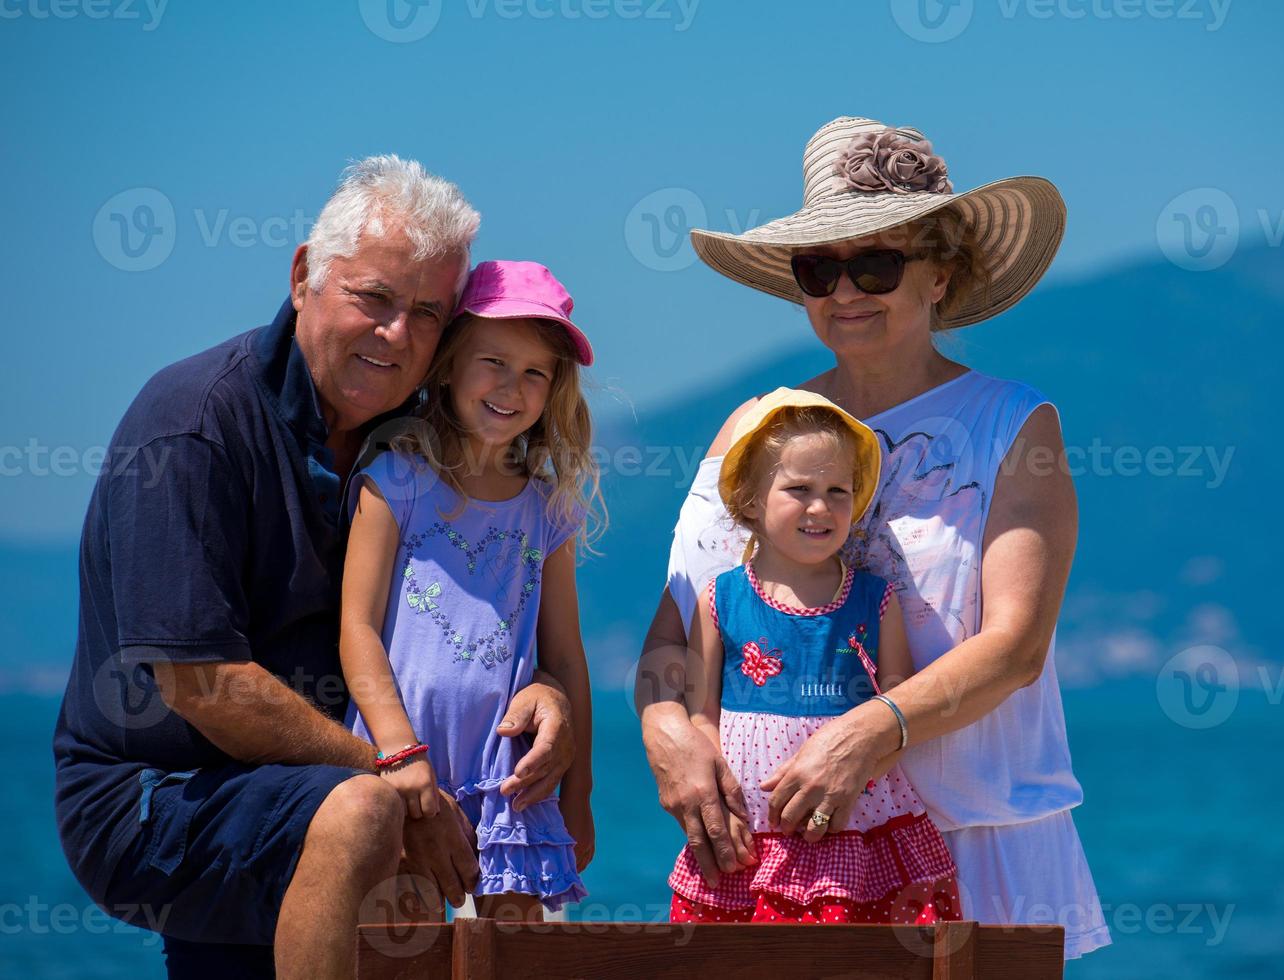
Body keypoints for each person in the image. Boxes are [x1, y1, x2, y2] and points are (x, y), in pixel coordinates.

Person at [53, 157, 578, 980]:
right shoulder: (193, 425)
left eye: (427, 313)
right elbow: (203, 685)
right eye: (374, 298)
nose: (396, 334)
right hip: (156, 793)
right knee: (367, 813)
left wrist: (546, 686)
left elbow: (495, 606)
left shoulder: (424, 440)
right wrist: (401, 777)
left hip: (317, 785)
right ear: (303, 276)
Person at [639, 116, 1111, 957]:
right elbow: (678, 630)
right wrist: (663, 729)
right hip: (775, 857)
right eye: (820, 269)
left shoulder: (1013, 423)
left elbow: (1015, 647)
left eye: (876, 263)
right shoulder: (751, 427)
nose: (844, 290)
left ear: (941, 274)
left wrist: (864, 736)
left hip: (977, 834)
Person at [341, 260, 599, 922]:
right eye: (493, 361)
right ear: (450, 365)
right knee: (403, 949)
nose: (511, 387)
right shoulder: (395, 479)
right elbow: (357, 629)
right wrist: (399, 755)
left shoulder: (548, 511)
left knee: (510, 954)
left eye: (534, 372)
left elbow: (565, 658)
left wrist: (578, 797)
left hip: (511, 774)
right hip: (399, 764)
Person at [666, 389, 962, 924]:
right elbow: (701, 714)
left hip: (855, 826)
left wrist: (857, 781)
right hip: (748, 835)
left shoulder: (877, 599)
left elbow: (897, 713)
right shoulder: (719, 598)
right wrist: (720, 804)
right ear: (751, 500)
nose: (821, 507)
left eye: (838, 490)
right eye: (799, 489)